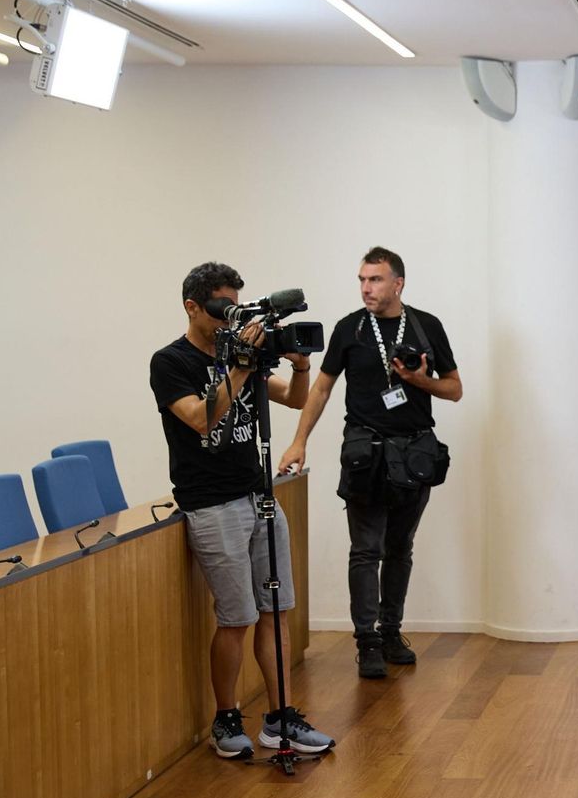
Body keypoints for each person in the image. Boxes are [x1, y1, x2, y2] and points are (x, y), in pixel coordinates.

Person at [149, 262, 335, 760]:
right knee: (236, 617)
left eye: (234, 303)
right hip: (211, 504)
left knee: (276, 611)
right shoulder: (171, 362)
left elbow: (295, 400)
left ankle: (280, 718)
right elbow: (201, 418)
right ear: (192, 307)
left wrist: (297, 363)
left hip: (260, 495)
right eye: (220, 307)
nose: (229, 317)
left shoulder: (240, 356)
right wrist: (242, 365)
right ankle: (226, 716)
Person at [278, 247, 461, 679]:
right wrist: (298, 441)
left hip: (414, 453)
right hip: (365, 453)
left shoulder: (426, 325)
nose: (366, 288)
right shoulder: (349, 329)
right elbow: (320, 390)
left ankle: (392, 630)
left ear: (398, 283)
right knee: (365, 550)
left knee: (400, 549)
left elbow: (454, 389)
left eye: (375, 280)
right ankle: (367, 640)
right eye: (362, 279)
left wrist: (419, 380)